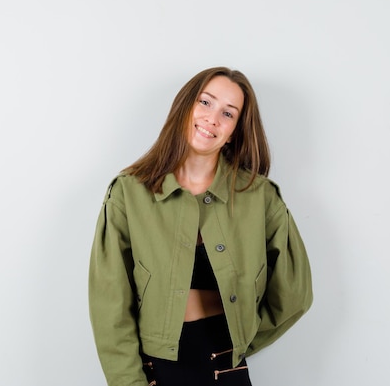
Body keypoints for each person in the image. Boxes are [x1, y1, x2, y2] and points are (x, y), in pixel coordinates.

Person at [89, 67, 313, 386]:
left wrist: (242, 338)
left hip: (227, 368)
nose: (212, 119)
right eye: (206, 103)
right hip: (157, 370)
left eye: (228, 113)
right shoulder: (129, 193)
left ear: (234, 130)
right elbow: (110, 307)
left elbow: (295, 294)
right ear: (186, 106)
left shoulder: (260, 197)